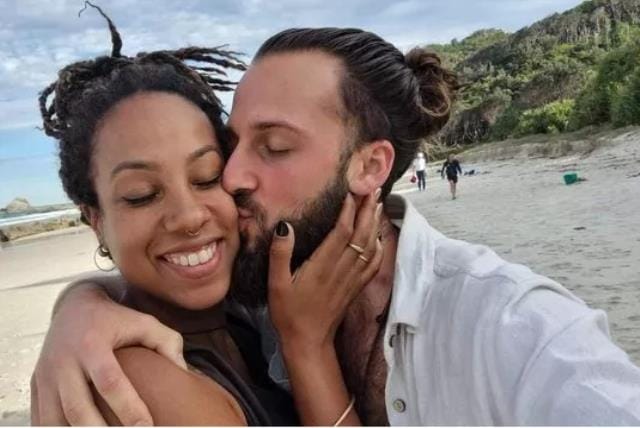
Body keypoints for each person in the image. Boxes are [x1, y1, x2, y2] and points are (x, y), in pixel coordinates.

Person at [32, 27, 640, 425]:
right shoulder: (259, 288)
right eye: (232, 149)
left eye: (273, 147)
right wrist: (81, 306)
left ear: (370, 166)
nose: (233, 179)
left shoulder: (516, 330)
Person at [32, 9, 383, 426]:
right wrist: (308, 346)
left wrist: (79, 300)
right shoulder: (143, 386)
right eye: (141, 195)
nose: (188, 217)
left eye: (207, 177)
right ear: (95, 220)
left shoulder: (242, 313)